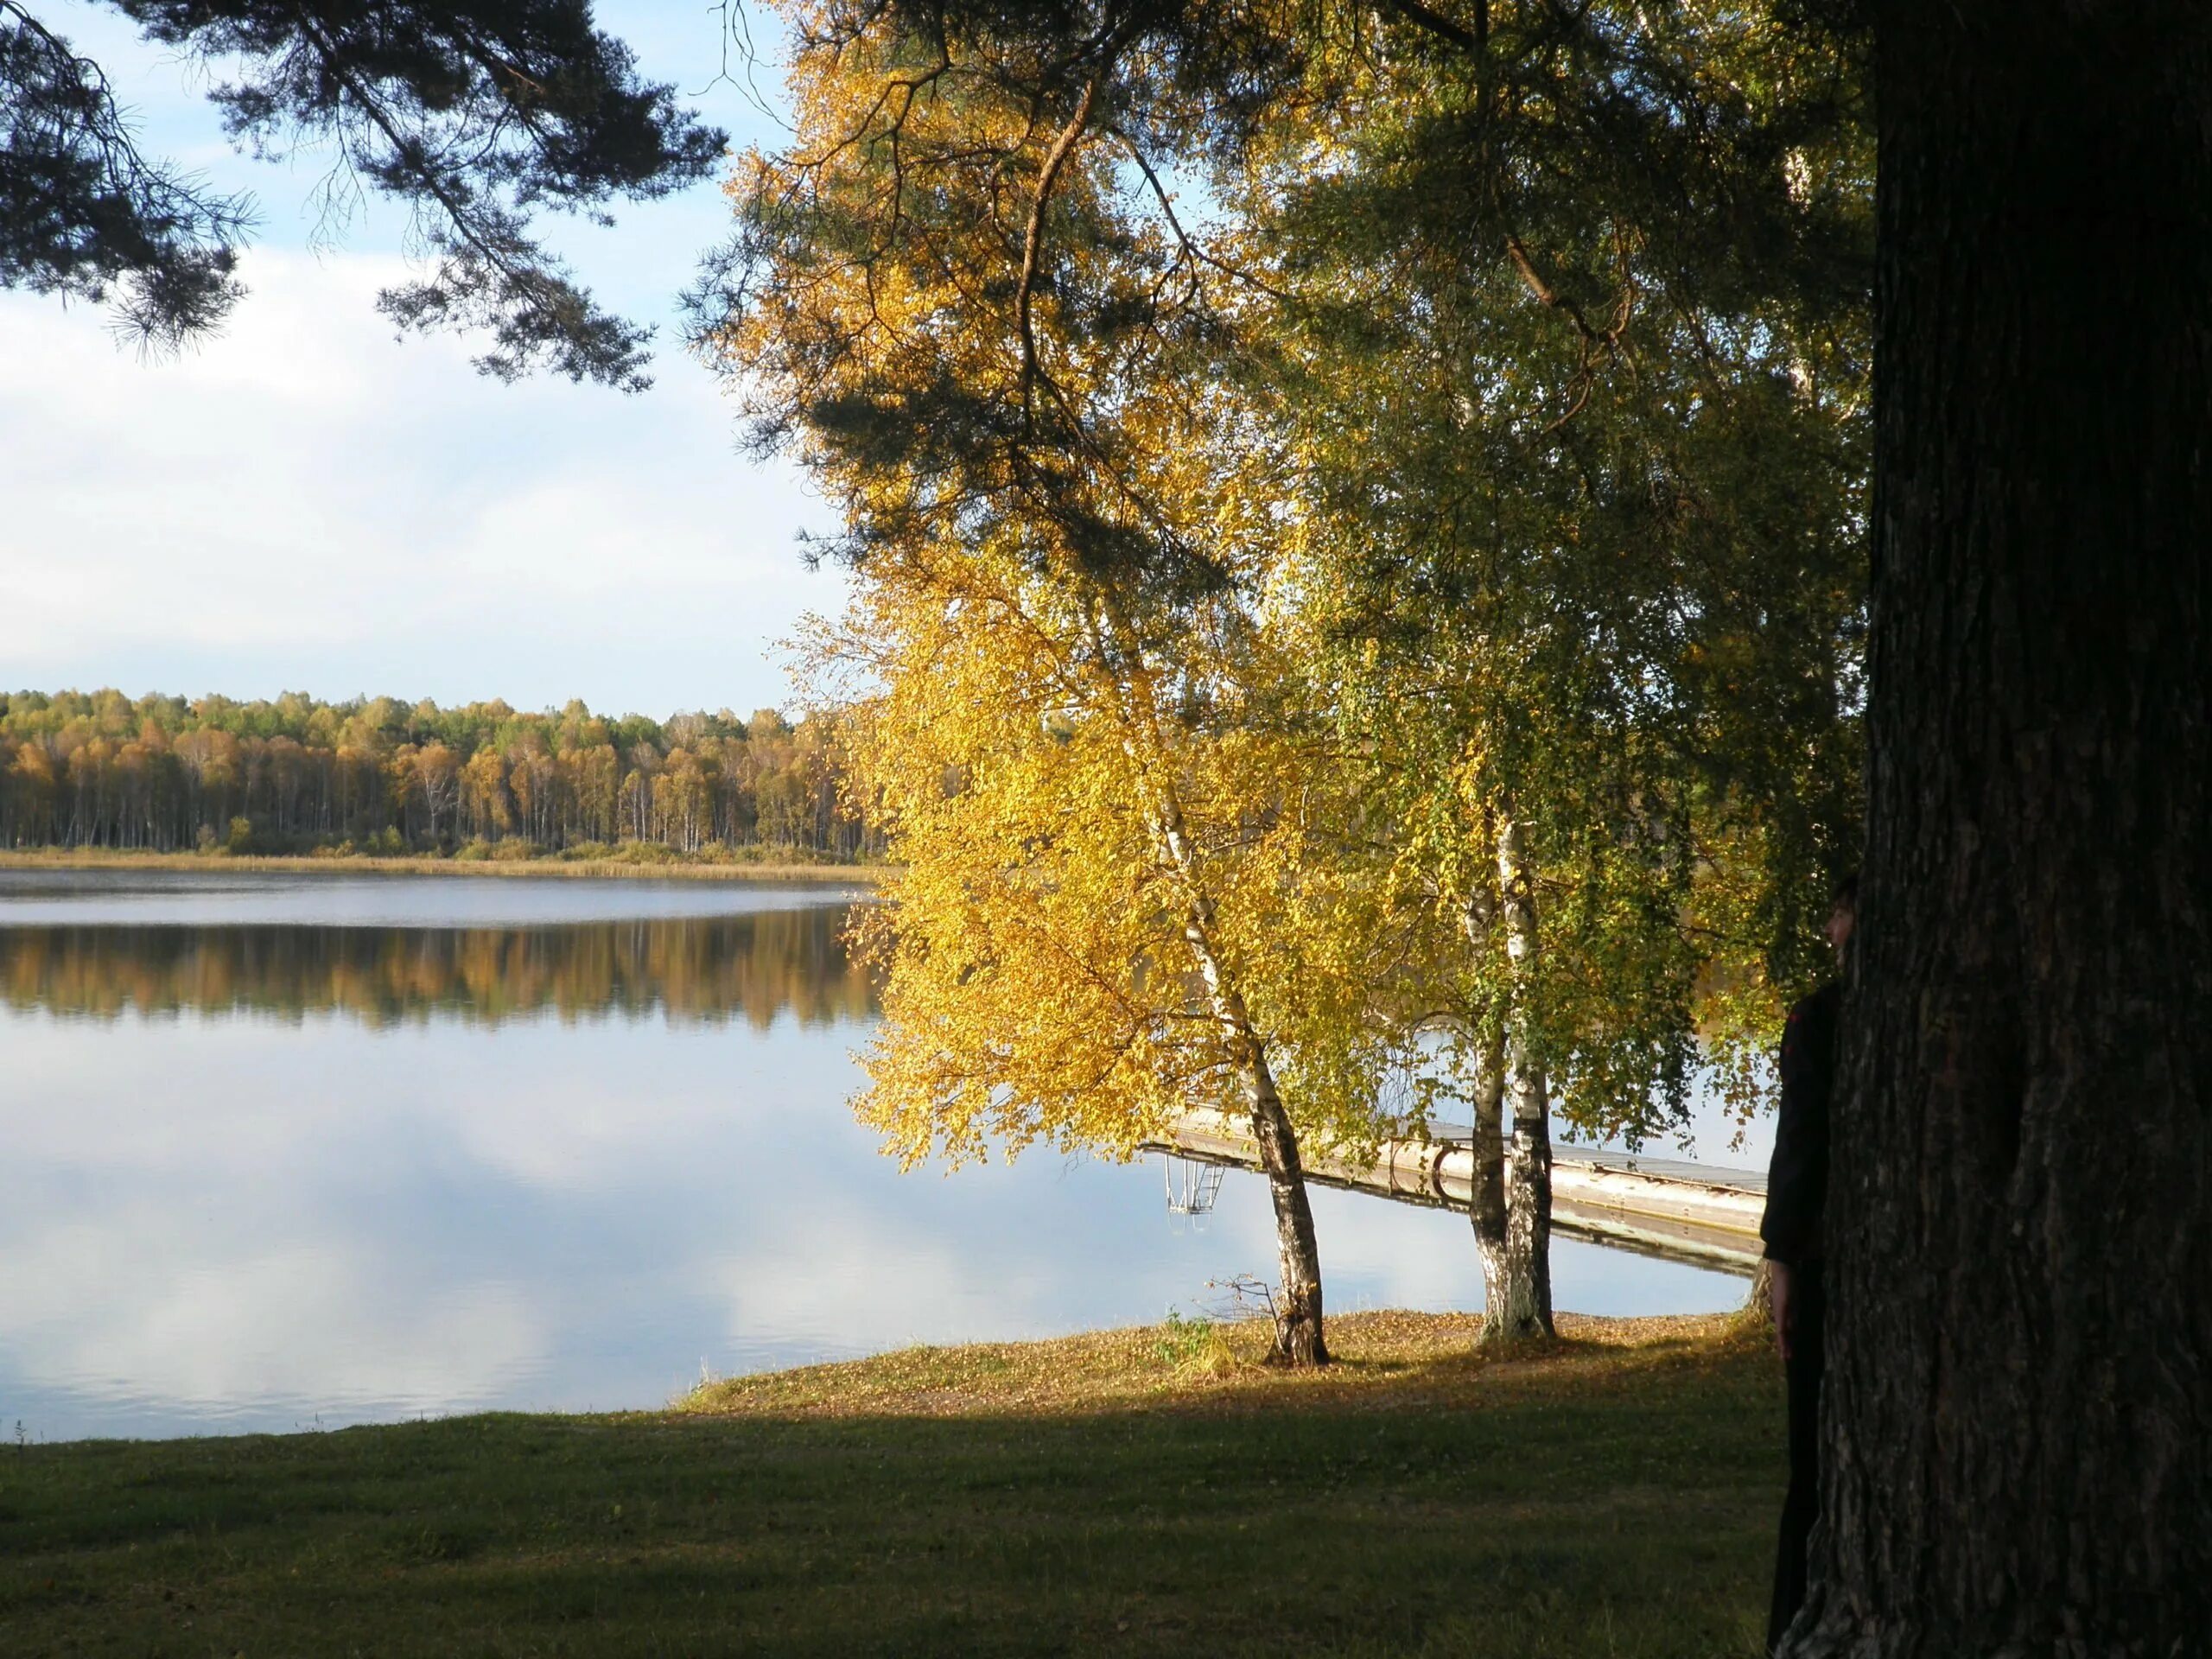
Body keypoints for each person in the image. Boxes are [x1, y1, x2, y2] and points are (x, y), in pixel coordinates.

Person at [1762, 872, 1854, 1655]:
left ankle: (1793, 1620)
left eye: (1835, 916)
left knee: (1813, 1470)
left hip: (1831, 1266)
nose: (1828, 931)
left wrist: (1780, 1257)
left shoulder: (1821, 1020)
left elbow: (1800, 1146)